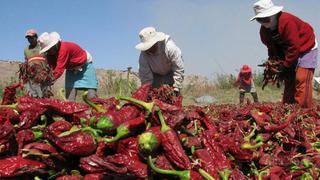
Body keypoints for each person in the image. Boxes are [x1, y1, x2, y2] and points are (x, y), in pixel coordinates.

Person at [251, 0, 318, 108]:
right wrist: (276, 62)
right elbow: (271, 48)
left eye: (266, 18)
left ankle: (304, 111)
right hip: (289, 51)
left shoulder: (287, 21)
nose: (263, 22)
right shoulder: (264, 31)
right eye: (259, 20)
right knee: (289, 79)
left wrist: (286, 65)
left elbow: (294, 46)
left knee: (301, 78)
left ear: (273, 14)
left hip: (306, 47)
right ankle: (288, 108)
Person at [38, 32, 98, 101]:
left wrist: (48, 81)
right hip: (71, 69)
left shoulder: (64, 48)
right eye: (47, 50)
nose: (49, 51)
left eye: (50, 49)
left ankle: (99, 111)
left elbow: (59, 70)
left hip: (85, 66)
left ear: (55, 44)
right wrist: (44, 80)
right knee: (70, 99)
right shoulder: (49, 54)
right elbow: (52, 69)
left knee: (91, 96)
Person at [136, 27, 184, 94]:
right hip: (155, 76)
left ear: (156, 42)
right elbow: (145, 76)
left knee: (173, 98)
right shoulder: (143, 56)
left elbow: (178, 67)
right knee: (155, 97)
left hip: (171, 73)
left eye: (151, 46)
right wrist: (147, 91)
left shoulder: (169, 47)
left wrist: (176, 87)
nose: (149, 49)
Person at [21, 29, 53, 98]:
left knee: (44, 95)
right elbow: (26, 62)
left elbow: (49, 59)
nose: (30, 40)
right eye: (28, 38)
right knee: (33, 95)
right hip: (31, 77)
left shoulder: (42, 46)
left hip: (43, 75)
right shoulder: (26, 50)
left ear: (36, 37)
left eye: (31, 37)